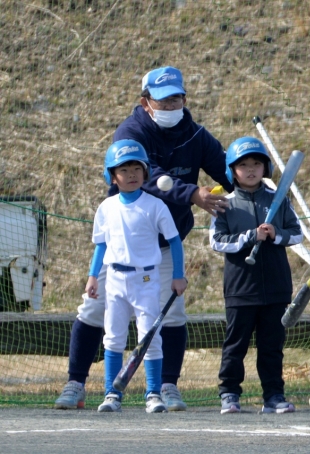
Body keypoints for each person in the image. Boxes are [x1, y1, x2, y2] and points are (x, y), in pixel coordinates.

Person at [55, 66, 233, 411]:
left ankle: (166, 387)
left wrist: (254, 176)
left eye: (176, 99)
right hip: (120, 249)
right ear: (145, 102)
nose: (171, 106)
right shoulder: (131, 132)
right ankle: (76, 384)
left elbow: (226, 169)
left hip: (162, 249)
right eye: (163, 101)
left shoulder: (196, 135)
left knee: (172, 314)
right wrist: (191, 193)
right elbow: (148, 177)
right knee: (93, 310)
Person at [87, 140, 187, 413]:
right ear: (112, 176)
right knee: (113, 338)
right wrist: (92, 276)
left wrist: (178, 275)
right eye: (124, 170)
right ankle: (112, 394)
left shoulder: (155, 205)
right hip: (115, 279)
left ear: (146, 173)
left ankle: (153, 393)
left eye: (136, 169)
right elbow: (101, 245)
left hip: (146, 280)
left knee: (150, 338)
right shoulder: (106, 207)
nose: (131, 174)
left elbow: (174, 241)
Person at [209, 137, 303, 414]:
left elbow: (297, 233)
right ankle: (229, 393)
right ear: (232, 170)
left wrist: (276, 234)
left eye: (256, 164)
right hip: (240, 287)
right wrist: (250, 237)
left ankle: (273, 395)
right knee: (235, 344)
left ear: (265, 168)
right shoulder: (225, 204)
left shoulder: (278, 200)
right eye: (243, 165)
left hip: (276, 285)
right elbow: (217, 241)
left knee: (271, 346)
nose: (250, 170)